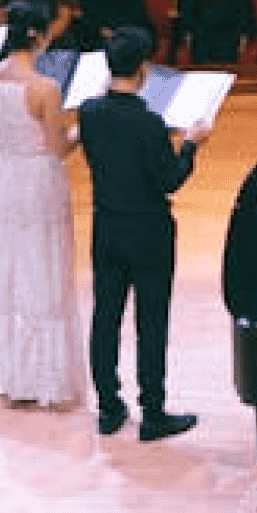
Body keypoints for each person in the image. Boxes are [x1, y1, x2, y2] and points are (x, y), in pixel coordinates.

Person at [79, 27, 207, 441]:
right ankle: (152, 413)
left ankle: (109, 408)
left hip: (107, 226)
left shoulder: (89, 113)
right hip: (148, 229)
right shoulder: (150, 123)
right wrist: (190, 145)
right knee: (151, 323)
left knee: (105, 317)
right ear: (144, 69)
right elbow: (169, 180)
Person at [0, 0, 86, 409]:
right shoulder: (45, 89)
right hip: (38, 178)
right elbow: (59, 148)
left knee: (8, 268)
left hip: (4, 173)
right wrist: (81, 128)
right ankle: (43, 377)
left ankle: (9, 371)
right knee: (42, 268)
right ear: (39, 36)